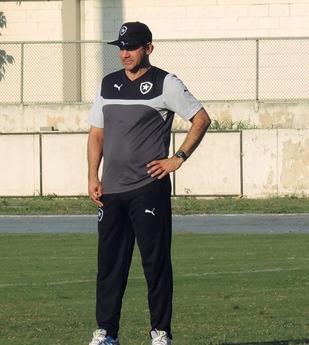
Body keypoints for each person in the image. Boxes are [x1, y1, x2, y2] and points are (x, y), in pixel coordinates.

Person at [87, 21, 211, 345]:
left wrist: (178, 158)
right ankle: (106, 333)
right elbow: (96, 134)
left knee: (155, 263)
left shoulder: (164, 83)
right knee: (109, 267)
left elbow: (201, 118)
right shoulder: (107, 84)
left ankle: (160, 333)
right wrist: (92, 176)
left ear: (148, 49)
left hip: (147, 188)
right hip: (111, 191)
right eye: (121, 48)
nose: (125, 53)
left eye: (132, 47)